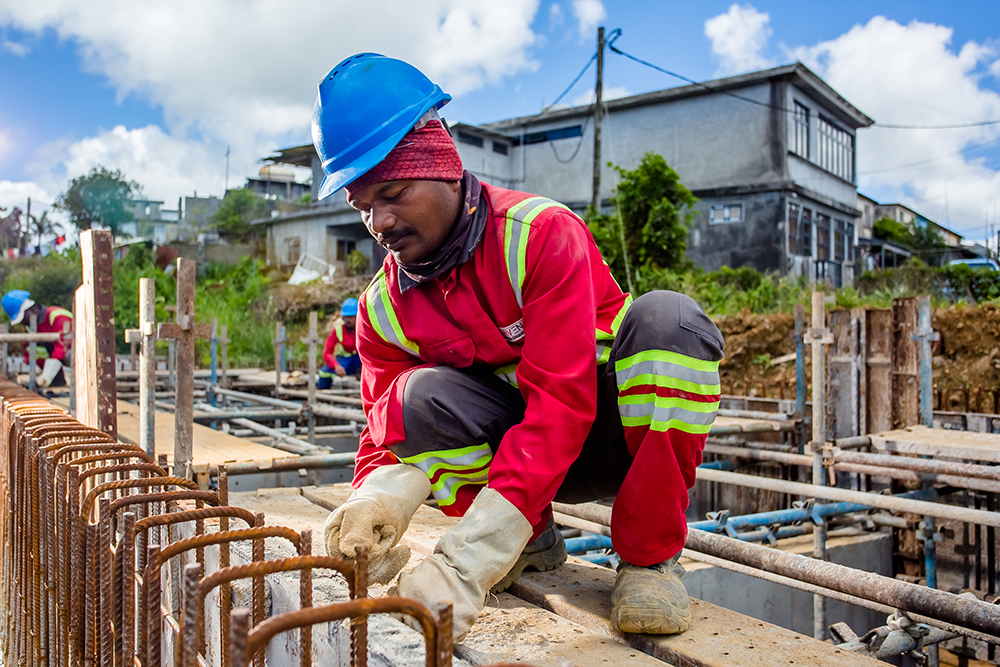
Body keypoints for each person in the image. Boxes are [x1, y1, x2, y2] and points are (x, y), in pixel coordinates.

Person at [315, 54, 724, 641]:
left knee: (671, 324)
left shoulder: (539, 237)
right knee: (414, 398)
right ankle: (529, 541)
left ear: (444, 166)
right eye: (362, 207)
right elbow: (383, 430)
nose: (379, 221)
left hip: (609, 440)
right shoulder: (381, 308)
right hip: (520, 466)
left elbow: (562, 404)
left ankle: (649, 559)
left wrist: (463, 564)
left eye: (394, 193)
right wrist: (375, 502)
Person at [1, 290, 73, 388]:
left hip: (77, 354)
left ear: (31, 310)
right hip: (55, 362)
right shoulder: (29, 327)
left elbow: (63, 347)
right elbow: (28, 349)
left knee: (69, 355)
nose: (23, 323)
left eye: (23, 318)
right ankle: (56, 382)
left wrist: (48, 374)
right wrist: (33, 366)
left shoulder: (58, 317)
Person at [317, 298, 361, 389]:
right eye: (346, 317)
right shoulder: (339, 330)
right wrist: (336, 366)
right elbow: (327, 353)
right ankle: (323, 396)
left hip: (362, 359)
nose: (347, 320)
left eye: (351, 317)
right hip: (346, 360)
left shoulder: (366, 328)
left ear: (359, 316)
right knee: (325, 372)